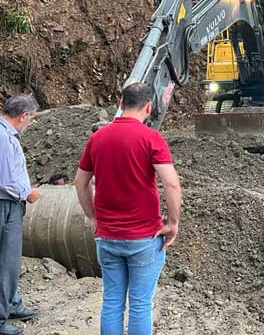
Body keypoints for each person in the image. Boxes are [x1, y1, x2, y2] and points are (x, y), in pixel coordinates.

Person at [73, 82, 182, 335]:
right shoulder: (151, 138)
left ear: (121, 104)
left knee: (112, 301)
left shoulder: (97, 138)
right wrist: (173, 223)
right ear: (149, 107)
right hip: (144, 238)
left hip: (107, 237)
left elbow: (80, 182)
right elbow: (171, 184)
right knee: (141, 304)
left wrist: (92, 217)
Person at [0, 94, 42, 335]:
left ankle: (12, 304)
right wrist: (28, 194)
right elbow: (5, 180)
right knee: (5, 265)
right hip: (3, 206)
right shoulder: (2, 138)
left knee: (8, 261)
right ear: (23, 116)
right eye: (31, 119)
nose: (30, 124)